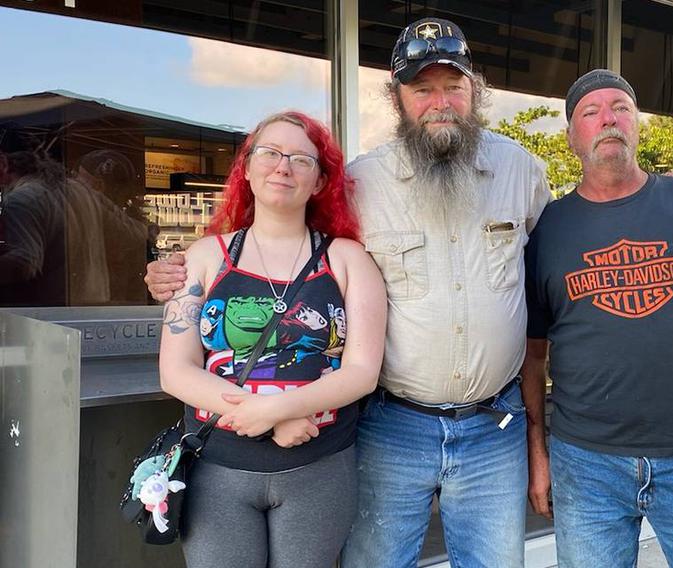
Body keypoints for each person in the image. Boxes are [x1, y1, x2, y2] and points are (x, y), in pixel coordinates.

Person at [146, 18, 551, 567]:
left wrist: (536, 433)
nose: (439, 102)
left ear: (473, 89)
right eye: (422, 89)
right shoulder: (364, 185)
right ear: (397, 97)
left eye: (452, 86)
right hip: (392, 427)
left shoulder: (522, 173)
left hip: (490, 429)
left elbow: (544, 286)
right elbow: (259, 270)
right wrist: (169, 277)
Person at [521, 69, 673, 568]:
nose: (608, 119)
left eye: (621, 108)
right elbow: (533, 354)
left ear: (637, 125)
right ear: (573, 137)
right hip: (586, 463)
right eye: (590, 113)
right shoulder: (549, 227)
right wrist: (539, 454)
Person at [157, 110, 386, 568]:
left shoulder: (347, 260)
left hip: (318, 467)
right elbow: (175, 370)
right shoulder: (204, 258)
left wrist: (278, 409)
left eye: (302, 159)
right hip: (217, 471)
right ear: (246, 166)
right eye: (270, 153)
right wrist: (270, 418)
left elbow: (362, 371)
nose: (283, 167)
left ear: (320, 180)